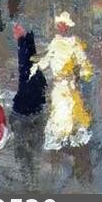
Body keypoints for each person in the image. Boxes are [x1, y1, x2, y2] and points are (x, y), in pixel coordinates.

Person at [41, 12, 93, 151]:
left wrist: (84, 73)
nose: (61, 27)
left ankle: (70, 139)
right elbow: (46, 60)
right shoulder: (54, 42)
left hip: (69, 84)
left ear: (67, 27)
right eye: (59, 25)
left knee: (70, 109)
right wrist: (36, 66)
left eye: (63, 25)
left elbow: (83, 62)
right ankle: (60, 139)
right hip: (58, 85)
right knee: (60, 110)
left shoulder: (74, 43)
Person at [12, 23, 47, 118]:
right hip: (32, 91)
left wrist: (21, 39)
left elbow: (26, 64)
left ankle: (24, 38)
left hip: (29, 101)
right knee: (28, 67)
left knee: (26, 68)